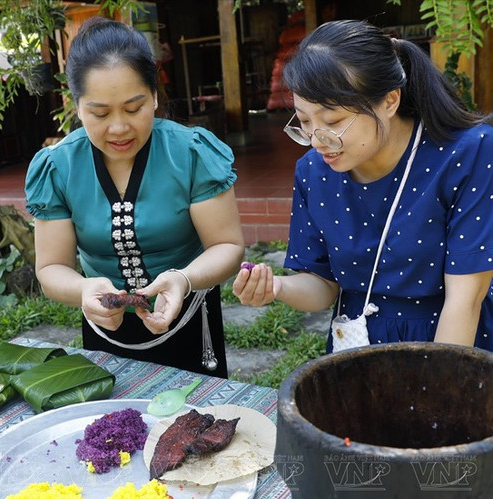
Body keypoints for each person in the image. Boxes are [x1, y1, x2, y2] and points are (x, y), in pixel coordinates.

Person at [233, 20, 492, 352]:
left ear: (389, 101)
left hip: (452, 342)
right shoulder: (313, 171)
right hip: (356, 346)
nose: (317, 141)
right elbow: (322, 286)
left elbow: (466, 300)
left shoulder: (468, 154)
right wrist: (276, 287)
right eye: (304, 121)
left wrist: (438, 390)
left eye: (333, 121)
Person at [25, 17, 245, 378]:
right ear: (77, 106)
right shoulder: (57, 167)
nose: (119, 127)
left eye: (133, 108)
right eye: (99, 113)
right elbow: (51, 268)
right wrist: (82, 289)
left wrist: (183, 280)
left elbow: (228, 246)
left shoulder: (190, 152)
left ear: (155, 96)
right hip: (103, 324)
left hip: (188, 315)